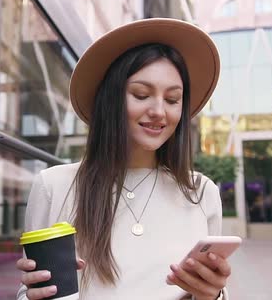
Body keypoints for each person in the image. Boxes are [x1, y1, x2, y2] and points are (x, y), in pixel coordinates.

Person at [16, 18, 230, 300]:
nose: (158, 111)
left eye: (172, 99)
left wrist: (213, 295)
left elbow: (214, 291)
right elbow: (30, 292)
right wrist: (31, 293)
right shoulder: (54, 185)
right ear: (112, 99)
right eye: (142, 94)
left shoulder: (201, 192)